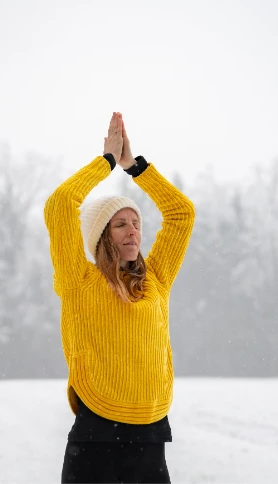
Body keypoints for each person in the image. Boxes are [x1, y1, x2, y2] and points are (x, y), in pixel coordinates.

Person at [44, 112, 195, 483]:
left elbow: (181, 214)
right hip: (96, 434)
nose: (133, 231)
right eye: (120, 223)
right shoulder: (79, 280)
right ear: (102, 236)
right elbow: (61, 203)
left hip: (150, 432)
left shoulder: (156, 279)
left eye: (137, 223)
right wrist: (108, 162)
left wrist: (135, 167)